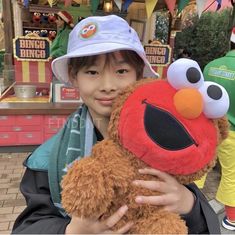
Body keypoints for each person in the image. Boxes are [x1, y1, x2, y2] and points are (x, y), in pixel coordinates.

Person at [12, 15, 220, 234]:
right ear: (74, 77)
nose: (108, 86)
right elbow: (28, 227)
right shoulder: (47, 159)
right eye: (92, 72)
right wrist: (71, 231)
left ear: (138, 75)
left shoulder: (165, 138)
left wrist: (189, 204)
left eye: (121, 71)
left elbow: (204, 226)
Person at [203, 27, 235, 231]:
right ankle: (232, 219)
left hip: (208, 128)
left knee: (198, 169)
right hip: (233, 133)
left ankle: (189, 208)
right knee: (232, 175)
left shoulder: (211, 66)